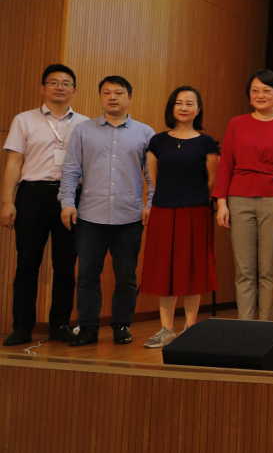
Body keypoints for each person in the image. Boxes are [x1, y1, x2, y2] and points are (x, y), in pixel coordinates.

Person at [58, 75, 154, 347]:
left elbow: (152, 176)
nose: (112, 97)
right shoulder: (83, 130)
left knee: (126, 277)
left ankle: (122, 325)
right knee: (87, 275)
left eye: (119, 92)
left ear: (130, 97)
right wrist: (67, 202)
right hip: (90, 216)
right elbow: (71, 170)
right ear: (100, 97)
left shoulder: (145, 133)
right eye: (107, 92)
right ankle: (87, 327)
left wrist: (151, 205)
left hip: (129, 216)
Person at [2, 64, 86, 346]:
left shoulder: (85, 124)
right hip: (32, 195)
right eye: (53, 82)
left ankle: (60, 325)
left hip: (71, 198)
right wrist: (8, 201)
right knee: (27, 263)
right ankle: (22, 327)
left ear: (74, 90)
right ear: (42, 88)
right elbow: (14, 162)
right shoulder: (24, 120)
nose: (59, 87)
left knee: (65, 264)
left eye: (66, 83)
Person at [213, 70, 273, 322]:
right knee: (244, 270)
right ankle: (245, 327)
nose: (260, 95)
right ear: (249, 96)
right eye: (255, 90)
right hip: (239, 199)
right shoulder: (236, 123)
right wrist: (221, 203)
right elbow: (226, 164)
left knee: (268, 269)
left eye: (266, 90)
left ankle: (266, 328)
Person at [138, 86, 220, 349]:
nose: (184, 107)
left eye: (190, 103)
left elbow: (211, 182)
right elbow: (153, 179)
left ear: (198, 109)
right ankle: (166, 329)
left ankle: (190, 328)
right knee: (165, 270)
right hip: (163, 210)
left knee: (191, 269)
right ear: (171, 107)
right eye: (179, 102)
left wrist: (192, 198)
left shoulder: (207, 143)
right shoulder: (157, 141)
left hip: (195, 211)